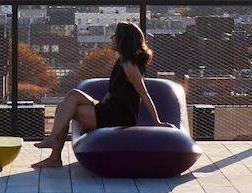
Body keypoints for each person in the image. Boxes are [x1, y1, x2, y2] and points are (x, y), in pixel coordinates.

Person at [33, 21, 165, 167]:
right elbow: (112, 92)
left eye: (115, 34)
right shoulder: (121, 61)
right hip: (108, 109)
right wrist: (96, 110)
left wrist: (157, 121)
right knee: (71, 96)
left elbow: (144, 94)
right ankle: (54, 155)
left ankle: (53, 147)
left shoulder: (129, 66)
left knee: (65, 106)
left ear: (122, 39)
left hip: (118, 117)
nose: (111, 37)